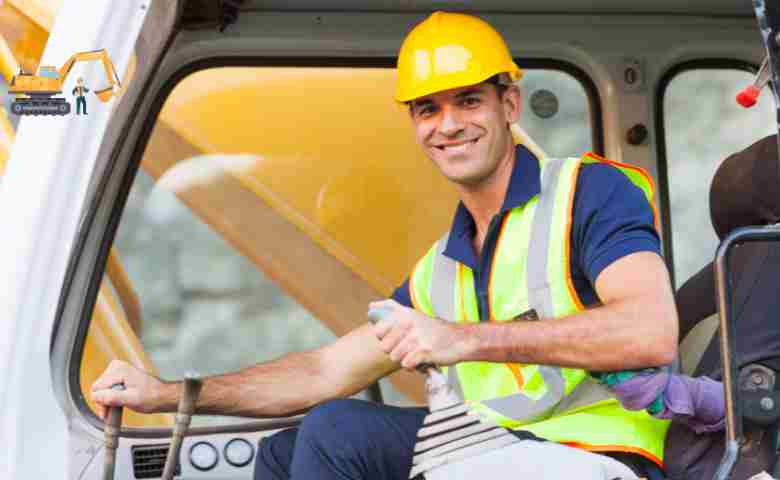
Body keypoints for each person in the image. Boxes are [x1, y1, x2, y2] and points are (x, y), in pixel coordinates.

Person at [91, 11, 719, 480]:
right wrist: (167, 393)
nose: (448, 124)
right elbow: (323, 372)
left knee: (341, 432)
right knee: (286, 448)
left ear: (509, 104)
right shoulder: (440, 269)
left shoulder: (589, 193)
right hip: (498, 451)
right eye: (428, 109)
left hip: (598, 456)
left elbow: (649, 330)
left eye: (468, 101)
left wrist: (462, 338)